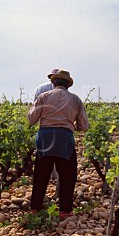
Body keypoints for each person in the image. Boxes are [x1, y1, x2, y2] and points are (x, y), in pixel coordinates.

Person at [28, 69, 89, 220]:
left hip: (45, 137)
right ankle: (65, 210)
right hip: (64, 137)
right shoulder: (76, 100)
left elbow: (31, 119)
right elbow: (84, 125)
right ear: (68, 85)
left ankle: (35, 208)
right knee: (68, 175)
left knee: (41, 174)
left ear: (54, 83)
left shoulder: (43, 96)